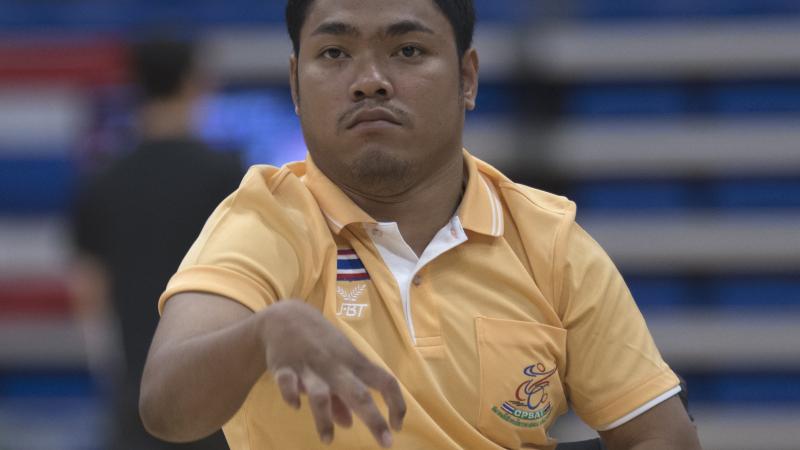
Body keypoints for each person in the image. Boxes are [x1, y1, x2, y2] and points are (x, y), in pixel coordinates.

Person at [139, 1, 702, 449]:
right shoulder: (268, 219)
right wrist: (262, 335)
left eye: (408, 50)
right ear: (294, 85)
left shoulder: (548, 240)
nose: (370, 81)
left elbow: (660, 435)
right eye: (334, 53)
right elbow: (165, 405)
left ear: (467, 78)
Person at [71, 37, 241, 449]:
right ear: (193, 83)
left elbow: (89, 296)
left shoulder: (102, 182)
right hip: (217, 399)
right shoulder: (231, 178)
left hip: (138, 401)